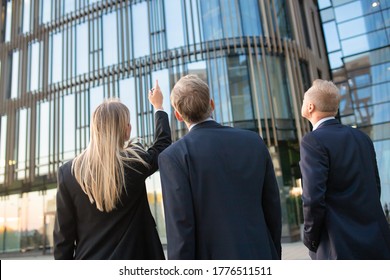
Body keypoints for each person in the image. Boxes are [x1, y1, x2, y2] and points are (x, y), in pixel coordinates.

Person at [158, 74, 282, 260]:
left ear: (177, 115)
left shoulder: (174, 157)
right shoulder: (253, 141)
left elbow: (180, 230)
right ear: (212, 104)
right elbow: (272, 208)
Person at [53, 81, 171, 259]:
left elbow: (63, 242)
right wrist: (158, 106)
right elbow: (162, 145)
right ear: (125, 131)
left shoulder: (68, 173)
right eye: (128, 123)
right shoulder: (135, 162)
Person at [299, 79, 390, 260]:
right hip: (377, 240)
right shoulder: (362, 138)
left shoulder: (313, 141)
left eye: (303, 100)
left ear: (310, 107)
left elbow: (313, 198)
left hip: (339, 245)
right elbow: (375, 187)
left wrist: (310, 239)